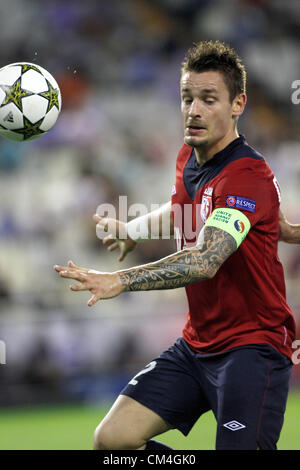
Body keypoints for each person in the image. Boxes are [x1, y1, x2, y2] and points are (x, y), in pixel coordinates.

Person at [54, 41, 299, 450]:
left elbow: (205, 261)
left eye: (208, 99)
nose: (194, 110)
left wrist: (120, 280)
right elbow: (183, 210)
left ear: (238, 104)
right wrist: (133, 229)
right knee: (112, 440)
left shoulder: (246, 176)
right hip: (197, 345)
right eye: (187, 98)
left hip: (252, 348)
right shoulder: (190, 155)